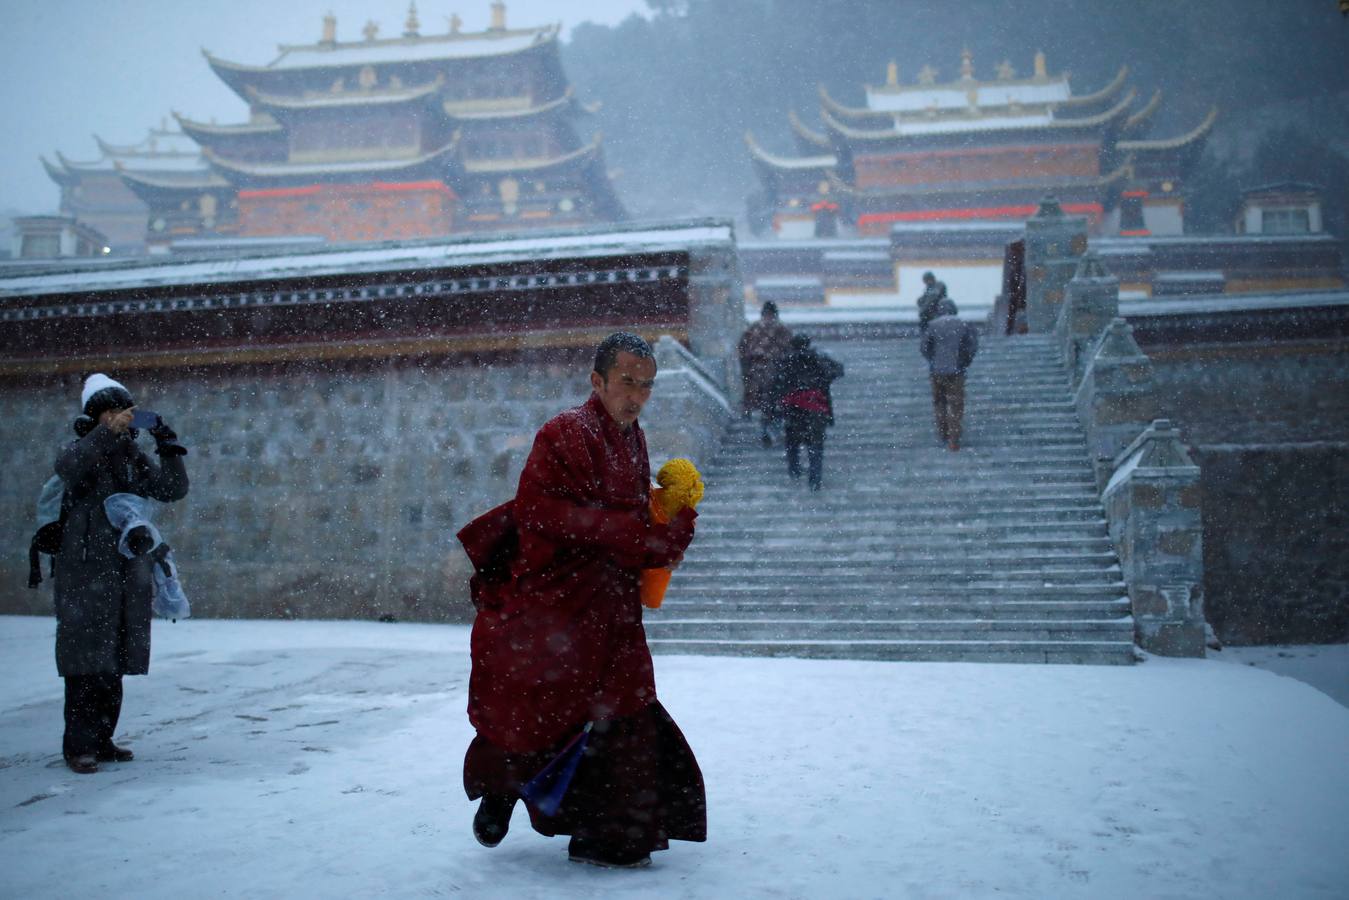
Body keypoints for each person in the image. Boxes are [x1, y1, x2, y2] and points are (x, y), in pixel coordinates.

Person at [459, 332, 705, 869]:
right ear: (597, 381)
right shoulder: (563, 433)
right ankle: (502, 790)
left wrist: (660, 537)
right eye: (626, 383)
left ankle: (613, 833)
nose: (636, 395)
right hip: (557, 605)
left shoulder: (634, 440)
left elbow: (632, 519)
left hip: (612, 611)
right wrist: (632, 533)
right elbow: (543, 514)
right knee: (536, 711)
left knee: (626, 708)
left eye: (646, 385)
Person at [53, 374, 189, 774]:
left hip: (123, 569)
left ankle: (102, 739)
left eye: (124, 410)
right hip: (83, 570)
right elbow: (70, 468)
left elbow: (170, 489)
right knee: (84, 661)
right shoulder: (81, 448)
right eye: (112, 411)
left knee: (113, 658)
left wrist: (168, 445)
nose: (121, 419)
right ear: (96, 416)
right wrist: (104, 435)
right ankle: (78, 746)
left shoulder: (131, 455)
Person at [772, 334, 844, 491]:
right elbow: (837, 371)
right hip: (815, 407)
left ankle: (795, 471)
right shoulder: (817, 358)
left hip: (793, 409)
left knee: (792, 442)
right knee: (816, 445)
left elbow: (775, 382)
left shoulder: (785, 361)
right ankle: (815, 478)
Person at [920, 298, 980, 452]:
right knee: (956, 405)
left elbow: (924, 347)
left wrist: (933, 361)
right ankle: (954, 439)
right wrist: (964, 361)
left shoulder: (933, 325)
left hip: (937, 372)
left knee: (939, 403)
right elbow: (972, 346)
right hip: (956, 371)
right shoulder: (963, 324)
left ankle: (942, 433)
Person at [737, 301, 793, 446]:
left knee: (768, 405)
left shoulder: (754, 328)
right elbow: (788, 350)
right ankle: (770, 432)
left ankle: (767, 431)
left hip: (763, 373)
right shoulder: (782, 329)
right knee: (772, 405)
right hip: (772, 374)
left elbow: (743, 351)